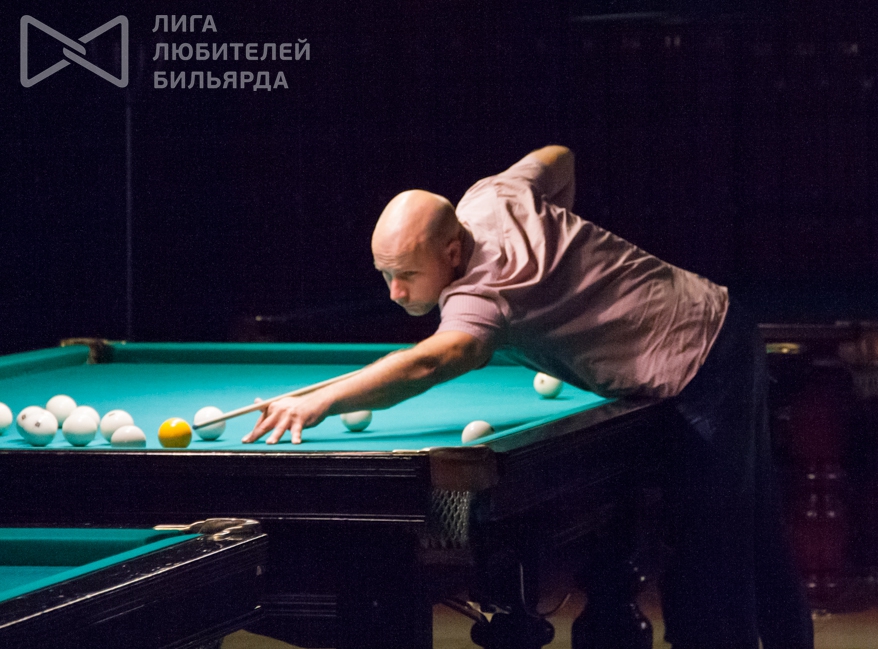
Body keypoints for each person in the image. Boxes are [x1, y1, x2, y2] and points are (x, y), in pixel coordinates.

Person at [244, 145, 814, 648]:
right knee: (755, 532)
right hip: (720, 318)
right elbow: (558, 155)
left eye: (407, 275)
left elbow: (432, 359)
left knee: (708, 567)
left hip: (698, 366)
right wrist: (559, 257)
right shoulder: (492, 197)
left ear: (452, 252)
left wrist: (321, 402)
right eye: (385, 274)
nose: (395, 292)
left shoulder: (481, 294)